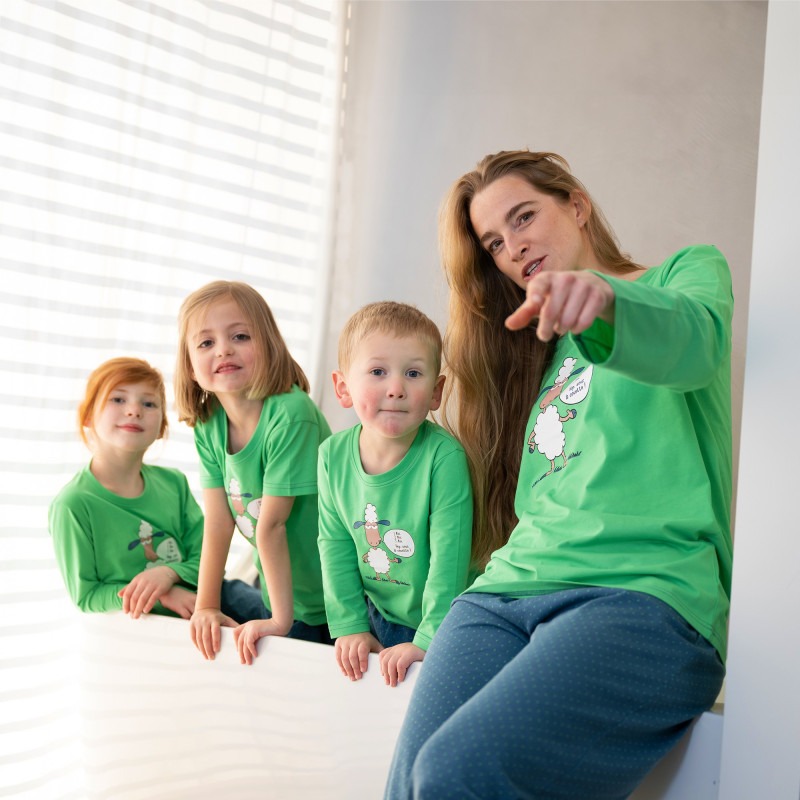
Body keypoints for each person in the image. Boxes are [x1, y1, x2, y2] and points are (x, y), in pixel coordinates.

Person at [385, 150, 732, 799]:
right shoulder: (544, 349)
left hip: (641, 595)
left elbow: (694, 344)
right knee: (407, 785)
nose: (513, 247)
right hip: (504, 593)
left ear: (576, 204)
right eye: (494, 242)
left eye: (523, 217)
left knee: (454, 774)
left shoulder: (685, 274)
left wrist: (602, 301)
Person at [175, 280, 332, 665]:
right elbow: (219, 520)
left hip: (339, 597)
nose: (224, 349)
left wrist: (279, 620)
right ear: (191, 366)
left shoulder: (291, 413)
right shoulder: (208, 423)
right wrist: (206, 606)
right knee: (215, 602)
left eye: (240, 336)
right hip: (283, 590)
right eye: (206, 342)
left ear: (269, 345)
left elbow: (271, 526)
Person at [318, 301, 473, 687]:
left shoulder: (444, 458)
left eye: (414, 373)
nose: (396, 389)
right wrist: (350, 626)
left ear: (436, 391)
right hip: (378, 613)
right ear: (344, 388)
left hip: (445, 618)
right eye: (377, 371)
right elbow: (334, 545)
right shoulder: (331, 456)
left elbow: (448, 562)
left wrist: (428, 639)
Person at [49, 357, 202, 619]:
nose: (134, 410)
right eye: (118, 399)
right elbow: (87, 596)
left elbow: (208, 559)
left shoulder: (175, 484)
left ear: (163, 426)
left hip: (208, 607)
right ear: (87, 416)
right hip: (143, 632)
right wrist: (162, 593)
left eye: (149, 403)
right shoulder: (74, 504)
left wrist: (168, 574)